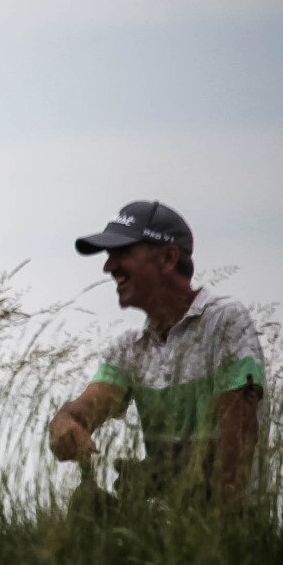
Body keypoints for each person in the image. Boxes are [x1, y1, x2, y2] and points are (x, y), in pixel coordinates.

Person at [47, 201, 265, 508]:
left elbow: (236, 454)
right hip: (165, 523)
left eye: (122, 253)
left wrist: (163, 473)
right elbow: (85, 409)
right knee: (86, 505)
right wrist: (64, 423)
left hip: (224, 527)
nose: (109, 267)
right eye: (109, 256)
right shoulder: (129, 348)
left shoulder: (224, 322)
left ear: (167, 258)